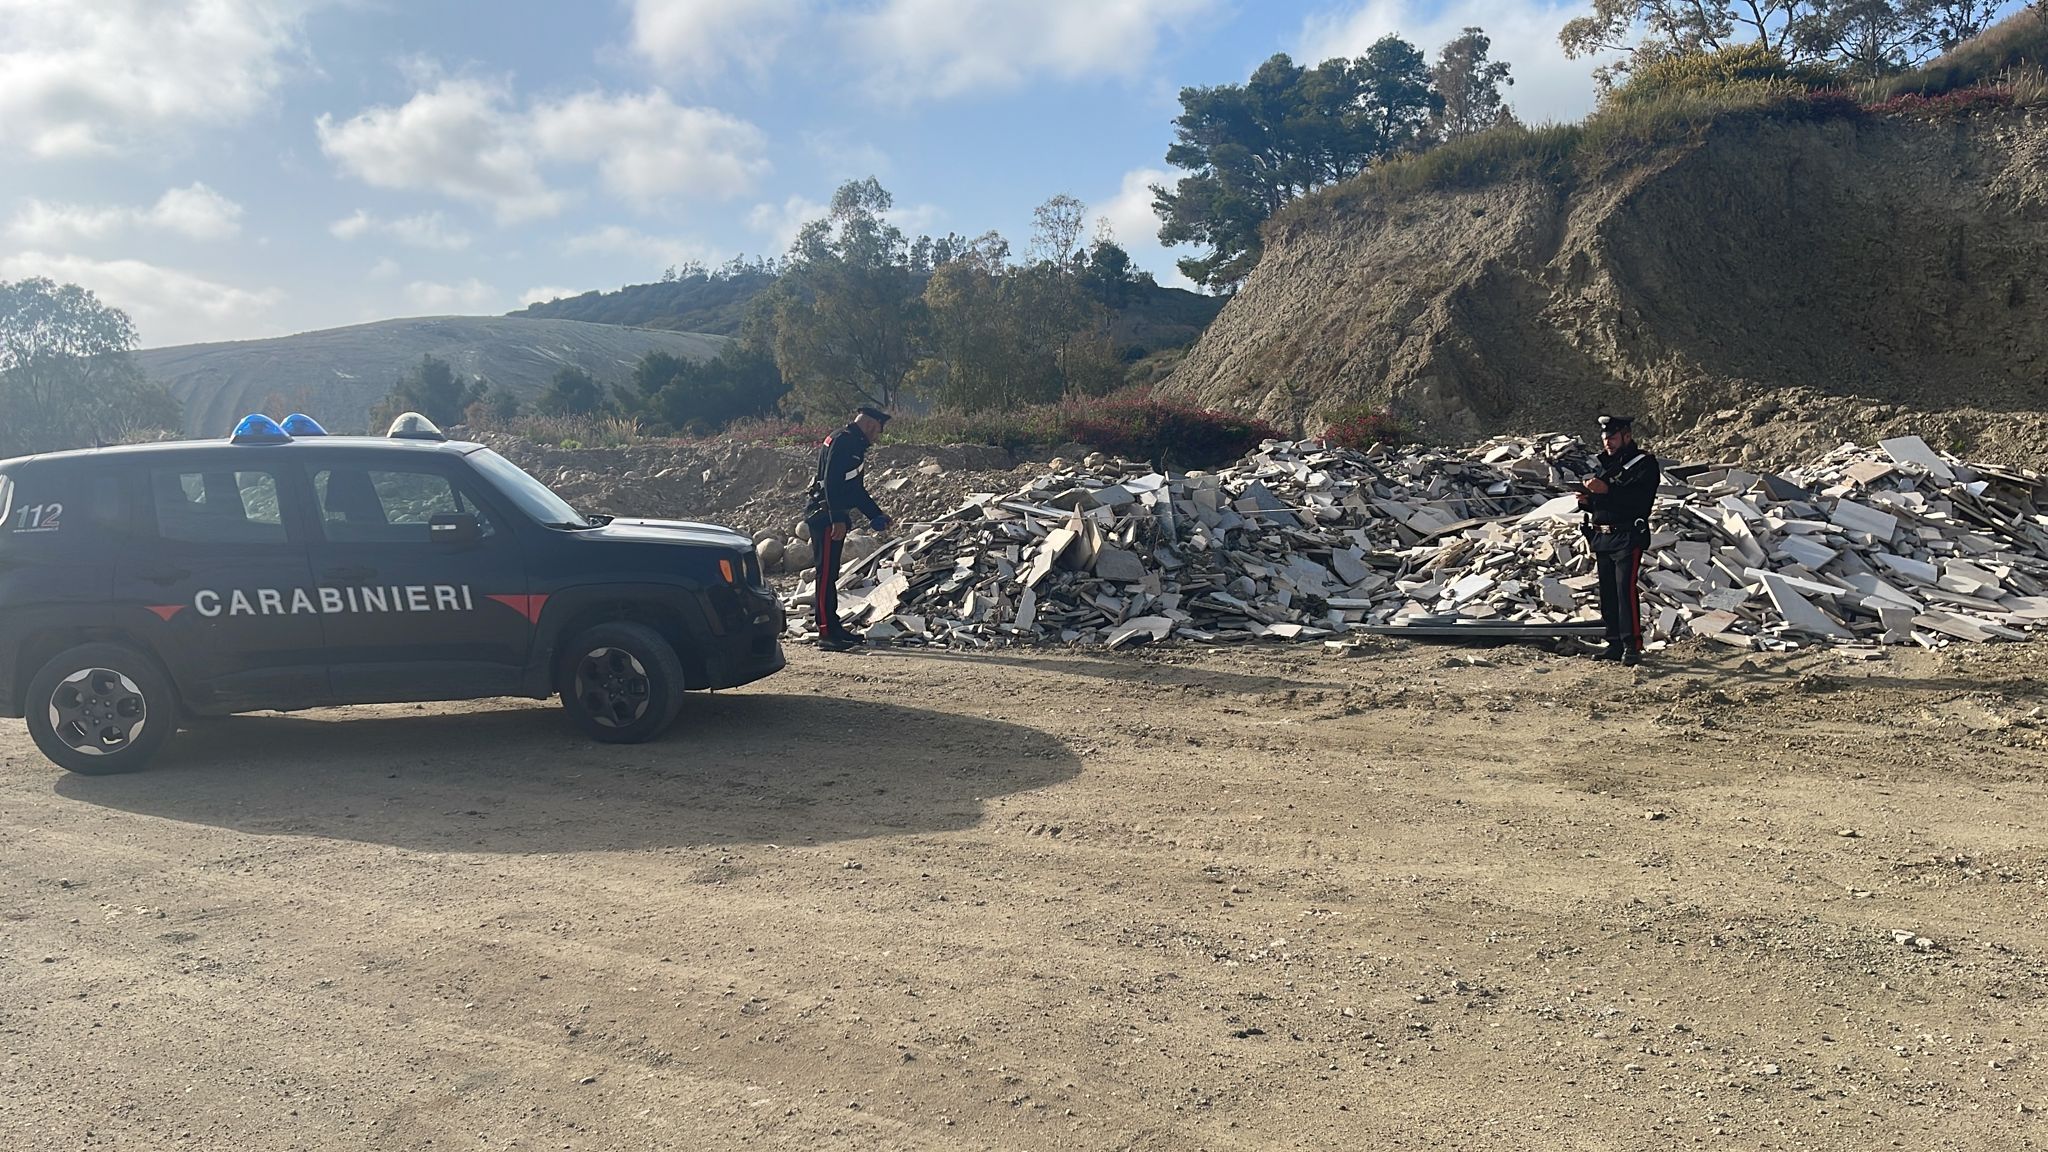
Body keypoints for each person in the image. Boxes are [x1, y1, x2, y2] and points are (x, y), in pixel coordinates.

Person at [803, 405, 895, 651]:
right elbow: (831, 481)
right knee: (825, 576)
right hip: (825, 515)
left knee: (831, 575)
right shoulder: (845, 442)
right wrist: (836, 518)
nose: (876, 437)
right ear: (868, 425)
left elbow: (854, 490)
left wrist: (876, 514)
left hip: (832, 514)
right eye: (876, 431)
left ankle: (833, 628)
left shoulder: (852, 443)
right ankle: (825, 632)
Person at [1576, 414, 1660, 666]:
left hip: (1627, 536)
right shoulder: (1605, 466)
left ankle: (1631, 646)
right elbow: (1606, 504)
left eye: (1612, 437)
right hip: (1603, 536)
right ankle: (1613, 642)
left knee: (1625, 592)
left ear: (1626, 436)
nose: (1607, 443)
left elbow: (1639, 500)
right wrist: (1588, 502)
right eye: (1604, 438)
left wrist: (1607, 490)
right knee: (1609, 594)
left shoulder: (1644, 463)